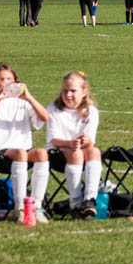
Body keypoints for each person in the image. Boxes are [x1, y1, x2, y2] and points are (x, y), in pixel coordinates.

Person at [0, 63, 51, 223]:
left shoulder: (23, 103)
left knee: (41, 153)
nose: (6, 83)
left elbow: (45, 118)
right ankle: (21, 207)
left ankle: (36, 206)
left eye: (9, 79)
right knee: (20, 153)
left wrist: (29, 97)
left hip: (23, 150)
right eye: (1, 80)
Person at [46, 71, 102, 219]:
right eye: (65, 91)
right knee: (75, 153)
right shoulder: (53, 109)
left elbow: (91, 141)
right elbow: (54, 140)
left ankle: (90, 200)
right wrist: (70, 143)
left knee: (95, 152)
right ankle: (75, 203)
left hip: (81, 151)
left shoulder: (91, 111)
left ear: (84, 92)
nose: (68, 95)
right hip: (56, 153)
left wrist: (86, 140)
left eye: (73, 91)